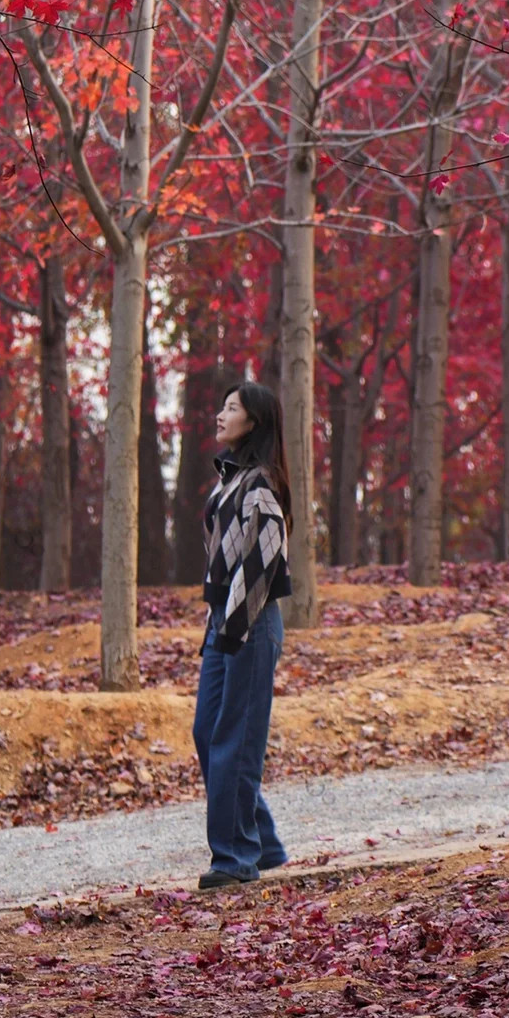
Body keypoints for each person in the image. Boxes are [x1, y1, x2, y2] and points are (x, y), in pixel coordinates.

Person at [193, 378, 292, 889]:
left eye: (231, 408)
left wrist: (232, 626)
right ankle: (265, 843)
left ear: (253, 421)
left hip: (250, 624)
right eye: (222, 404)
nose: (220, 414)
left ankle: (234, 860)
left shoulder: (260, 484)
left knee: (236, 737)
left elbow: (266, 556)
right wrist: (216, 625)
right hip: (223, 625)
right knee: (207, 733)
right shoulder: (229, 480)